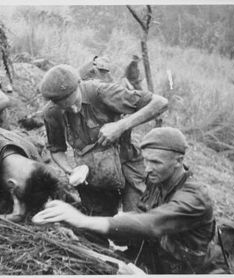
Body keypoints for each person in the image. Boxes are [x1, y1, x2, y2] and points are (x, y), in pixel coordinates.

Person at [32, 127, 218, 273]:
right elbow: (142, 214)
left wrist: (83, 220)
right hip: (154, 254)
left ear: (179, 161)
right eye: (145, 161)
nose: (147, 169)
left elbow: (152, 223)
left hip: (184, 269)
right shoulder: (158, 178)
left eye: (155, 162)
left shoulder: (195, 197)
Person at [40, 64, 168, 217]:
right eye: (66, 108)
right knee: (95, 225)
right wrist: (70, 170)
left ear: (79, 85)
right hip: (92, 172)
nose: (74, 110)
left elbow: (160, 103)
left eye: (75, 102)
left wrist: (120, 126)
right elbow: (56, 149)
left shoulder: (101, 92)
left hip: (127, 163)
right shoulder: (51, 113)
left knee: (137, 222)